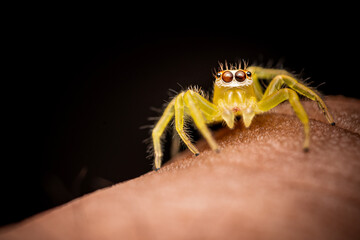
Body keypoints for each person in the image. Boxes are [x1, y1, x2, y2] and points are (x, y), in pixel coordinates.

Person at [0, 96, 359, 240]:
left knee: (281, 82)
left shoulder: (256, 92)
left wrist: (320, 118)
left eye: (238, 81)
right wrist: (185, 147)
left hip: (271, 117)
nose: (233, 87)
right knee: (181, 99)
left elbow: (279, 80)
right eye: (227, 82)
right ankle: (168, 154)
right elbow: (178, 108)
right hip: (207, 137)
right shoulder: (212, 103)